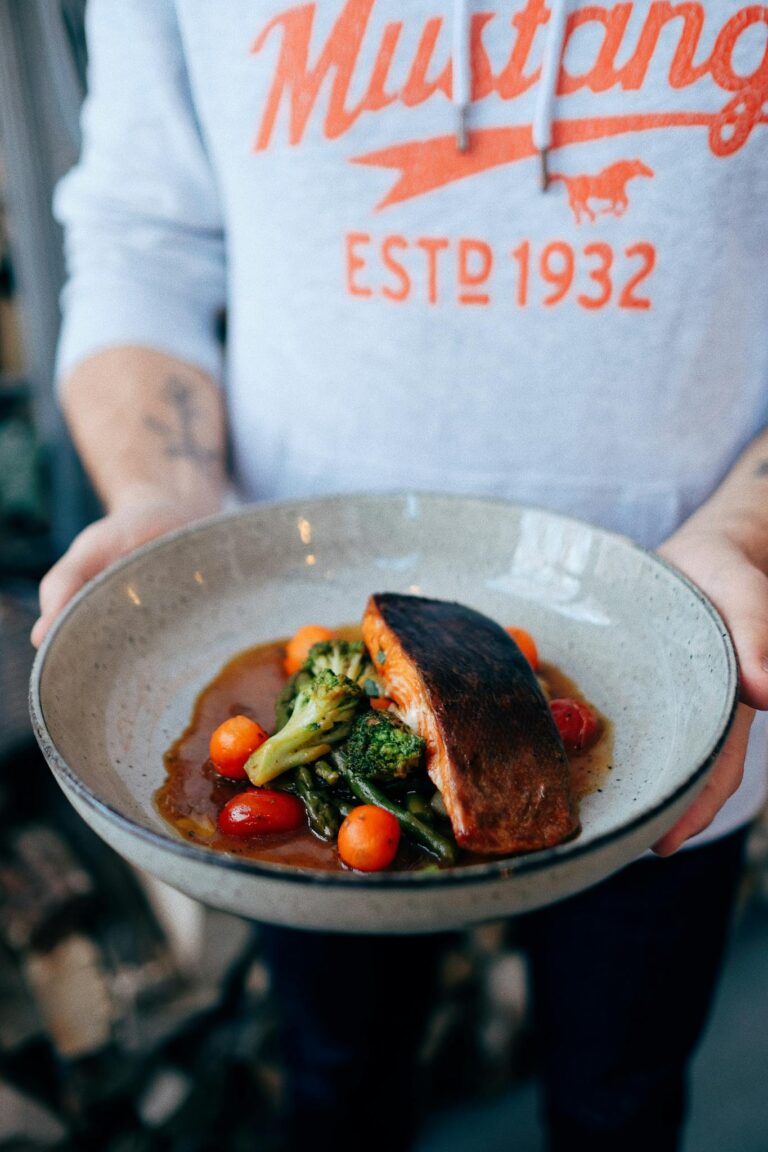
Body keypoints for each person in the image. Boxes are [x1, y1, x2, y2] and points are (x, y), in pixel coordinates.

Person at [33, 2, 768, 1148]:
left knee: (621, 1102)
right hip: (291, 618)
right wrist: (159, 498)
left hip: (681, 661)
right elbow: (141, 236)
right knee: (336, 1084)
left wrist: (747, 529)